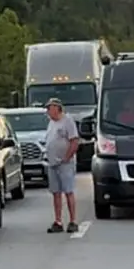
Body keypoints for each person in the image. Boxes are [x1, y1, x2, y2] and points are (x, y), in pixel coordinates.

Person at [43, 97, 81, 233]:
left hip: (65, 163)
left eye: (49, 108)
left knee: (68, 191)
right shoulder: (51, 123)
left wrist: (67, 157)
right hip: (53, 163)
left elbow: (74, 141)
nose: (47, 111)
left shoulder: (67, 121)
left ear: (57, 108)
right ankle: (58, 221)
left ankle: (73, 220)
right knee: (56, 193)